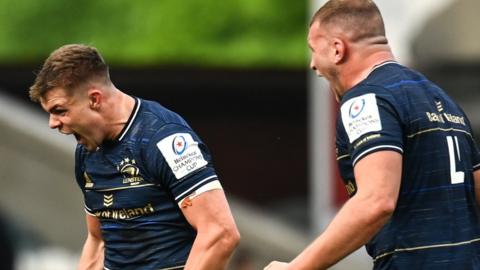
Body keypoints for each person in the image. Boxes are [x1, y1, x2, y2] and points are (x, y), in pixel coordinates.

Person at [265, 0, 480, 269]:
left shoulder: (366, 99)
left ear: (336, 49)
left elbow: (376, 202)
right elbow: (474, 190)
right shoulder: (440, 98)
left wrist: (296, 267)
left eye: (313, 50)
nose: (312, 64)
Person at [29, 44, 240, 270]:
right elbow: (98, 241)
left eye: (60, 110)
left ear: (95, 99)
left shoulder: (165, 138)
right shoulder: (86, 150)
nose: (52, 123)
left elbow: (220, 233)